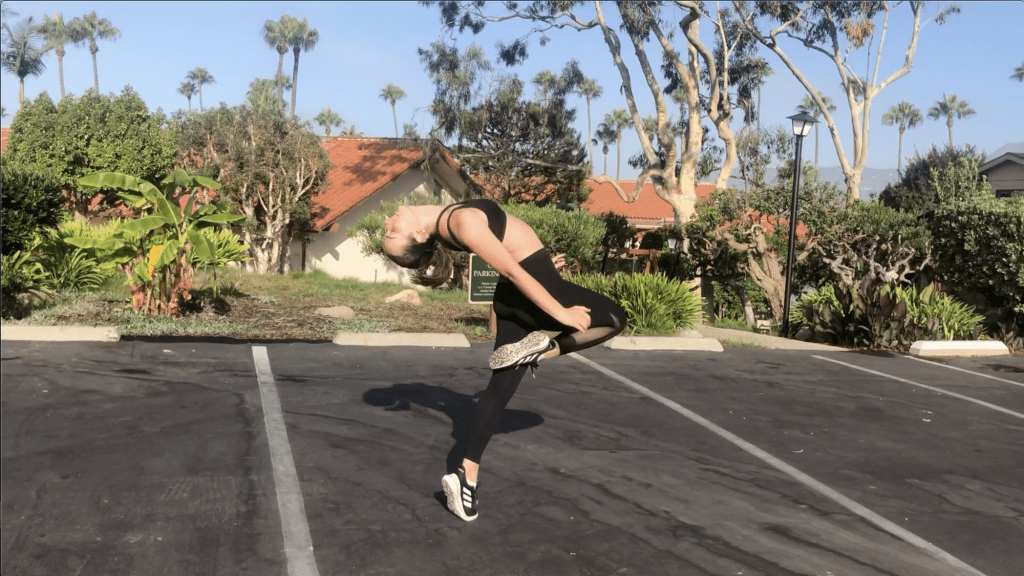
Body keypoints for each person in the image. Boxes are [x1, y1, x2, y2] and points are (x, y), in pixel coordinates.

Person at [383, 198, 626, 521]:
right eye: (393, 232)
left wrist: (542, 264)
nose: (388, 223)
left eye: (388, 230)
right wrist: (560, 312)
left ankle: (466, 479)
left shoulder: (446, 222)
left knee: (497, 395)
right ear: (418, 234)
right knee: (614, 319)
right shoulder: (461, 222)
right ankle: (545, 349)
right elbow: (510, 267)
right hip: (530, 291)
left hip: (511, 296)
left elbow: (509, 254)